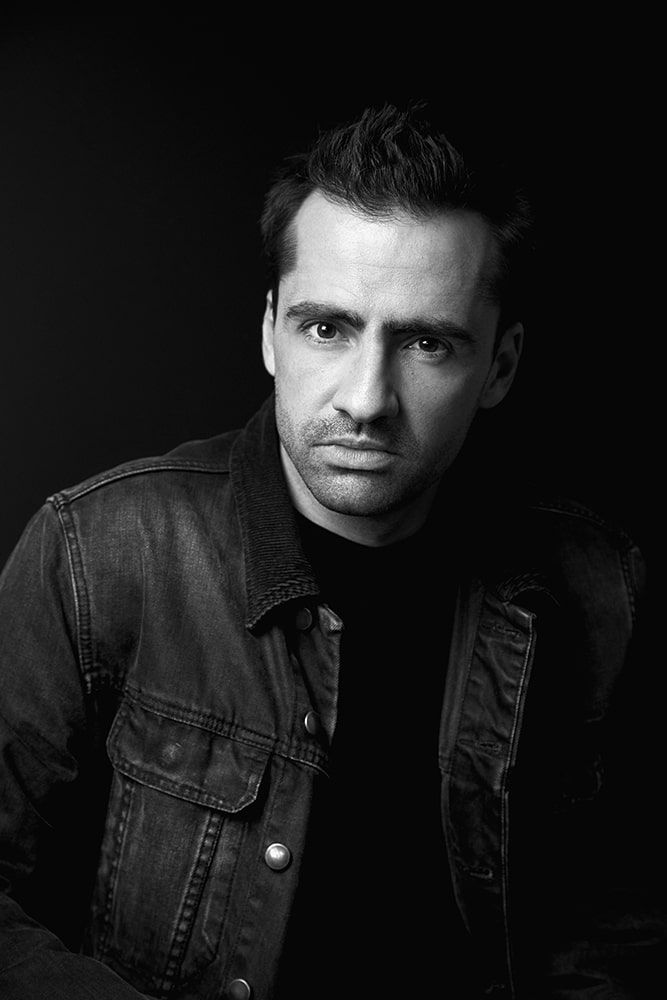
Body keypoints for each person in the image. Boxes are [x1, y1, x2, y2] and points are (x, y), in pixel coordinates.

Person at [0, 103, 662, 1000]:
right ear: (269, 331)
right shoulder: (99, 551)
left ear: (500, 366)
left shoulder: (598, 584)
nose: (366, 399)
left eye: (426, 343)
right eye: (327, 329)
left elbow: (617, 921)